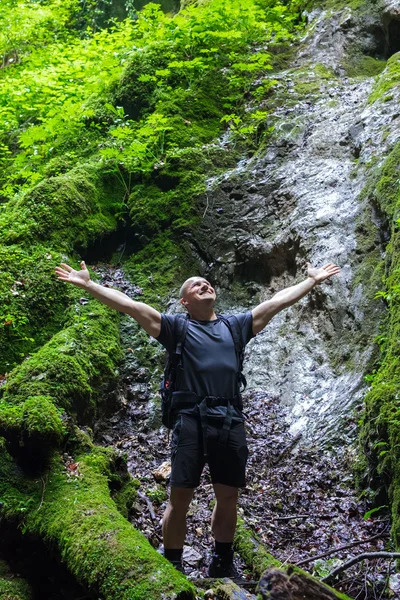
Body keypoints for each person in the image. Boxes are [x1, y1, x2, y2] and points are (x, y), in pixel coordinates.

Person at [56, 260, 340, 576]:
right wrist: (90, 285)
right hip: (190, 419)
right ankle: (173, 565)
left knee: (228, 495)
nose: (204, 285)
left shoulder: (236, 327)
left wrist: (311, 281)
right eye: (196, 285)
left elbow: (276, 302)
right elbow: (132, 308)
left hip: (230, 418)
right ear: (185, 301)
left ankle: (221, 562)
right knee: (180, 497)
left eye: (207, 283)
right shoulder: (177, 328)